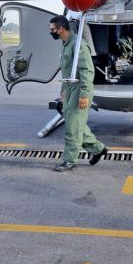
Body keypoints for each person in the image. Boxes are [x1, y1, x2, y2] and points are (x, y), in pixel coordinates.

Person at [49, 15, 108, 172]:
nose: (51, 32)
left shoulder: (78, 45)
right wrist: (63, 91)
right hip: (70, 89)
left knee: (73, 128)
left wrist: (84, 95)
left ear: (61, 29)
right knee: (74, 124)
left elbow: (87, 72)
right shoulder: (66, 44)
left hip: (80, 90)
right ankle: (98, 148)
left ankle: (69, 160)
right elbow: (67, 71)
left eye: (52, 30)